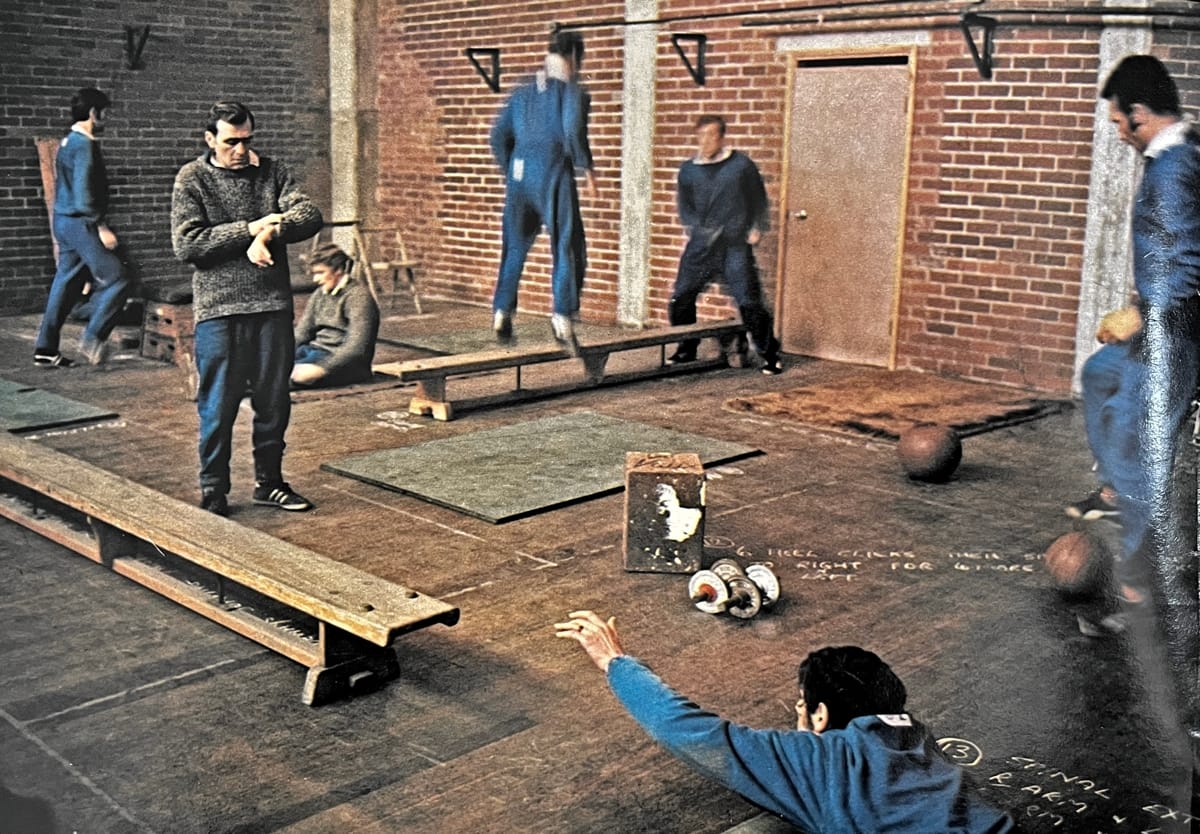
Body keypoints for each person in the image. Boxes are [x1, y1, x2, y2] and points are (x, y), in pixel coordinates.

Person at [555, 611, 1014, 832]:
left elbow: (683, 727)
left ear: (820, 714)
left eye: (801, 706)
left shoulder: (822, 758)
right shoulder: (920, 744)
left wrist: (614, 661)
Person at [1065, 55, 1200, 604]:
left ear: (1140, 114)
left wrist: (1143, 314)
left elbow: (1188, 264)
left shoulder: (1174, 169)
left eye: (1119, 123)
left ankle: (1146, 574)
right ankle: (1118, 490)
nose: (1119, 134)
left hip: (1177, 331)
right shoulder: (1175, 159)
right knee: (1099, 375)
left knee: (1135, 435)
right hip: (1164, 323)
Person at [171, 101, 323, 516]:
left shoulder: (272, 171)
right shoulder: (193, 178)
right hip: (219, 312)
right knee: (218, 406)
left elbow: (309, 214)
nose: (240, 149)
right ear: (210, 140)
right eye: (230, 142)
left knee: (274, 403)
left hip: (271, 307)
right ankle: (214, 488)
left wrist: (272, 227)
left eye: (247, 140)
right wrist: (250, 229)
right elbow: (189, 244)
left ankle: (269, 483)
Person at [490, 28, 597, 354]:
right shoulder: (571, 90)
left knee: (514, 246)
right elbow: (570, 129)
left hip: (519, 173)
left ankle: (502, 310)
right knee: (567, 242)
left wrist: (512, 169)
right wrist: (586, 167)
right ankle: (562, 316)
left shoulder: (521, 90)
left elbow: (497, 135)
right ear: (574, 57)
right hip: (553, 171)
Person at [667, 115, 782, 375]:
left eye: (712, 135)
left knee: (749, 301)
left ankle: (769, 354)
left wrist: (756, 227)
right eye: (702, 136)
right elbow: (686, 208)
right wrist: (698, 229)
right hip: (702, 246)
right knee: (680, 297)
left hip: (734, 245)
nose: (706, 141)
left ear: (722, 137)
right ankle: (686, 348)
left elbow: (758, 199)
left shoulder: (741, 166)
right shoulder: (688, 170)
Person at [34, 87, 132, 368]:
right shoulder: (85, 145)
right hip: (82, 222)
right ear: (93, 113)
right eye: (105, 113)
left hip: (64, 222)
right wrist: (101, 226)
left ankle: (45, 348)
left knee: (65, 283)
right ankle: (93, 337)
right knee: (118, 278)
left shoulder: (68, 142)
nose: (106, 118)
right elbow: (83, 193)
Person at [292, 243, 380, 389]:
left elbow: (357, 348)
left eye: (320, 273)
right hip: (314, 353)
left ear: (339, 270)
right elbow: (302, 332)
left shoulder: (358, 297)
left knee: (278, 381)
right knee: (265, 369)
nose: (315, 279)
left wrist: (322, 368)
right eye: (314, 273)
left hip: (344, 364)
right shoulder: (320, 294)